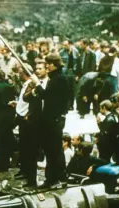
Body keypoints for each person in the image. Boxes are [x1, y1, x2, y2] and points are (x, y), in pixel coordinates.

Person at [31, 53, 69, 189]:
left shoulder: (58, 79)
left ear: (54, 64)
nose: (46, 66)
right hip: (51, 118)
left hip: (53, 119)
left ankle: (57, 179)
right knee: (50, 150)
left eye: (48, 64)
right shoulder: (56, 77)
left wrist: (37, 85)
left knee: (54, 151)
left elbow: (46, 96)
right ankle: (51, 178)